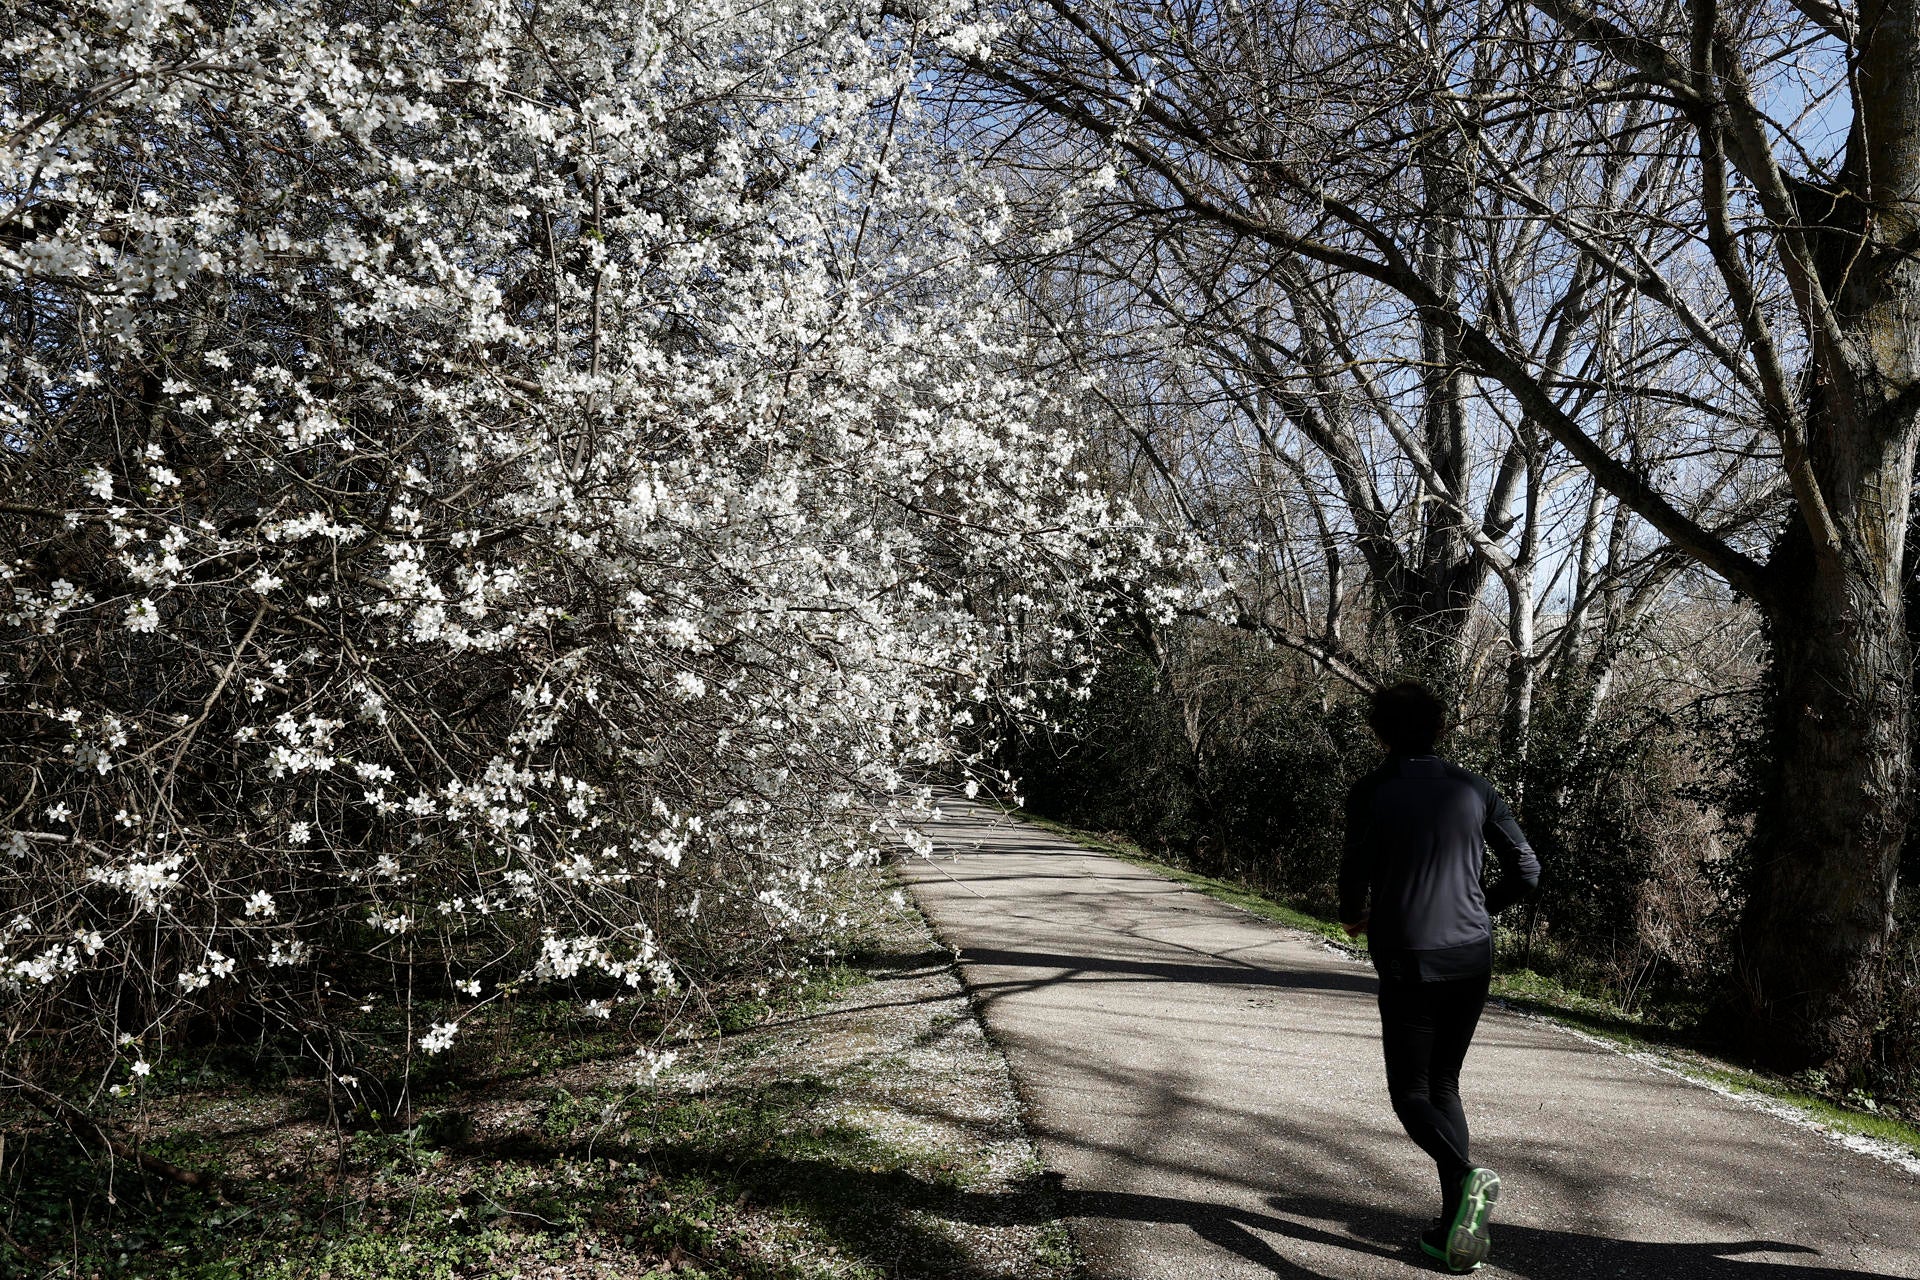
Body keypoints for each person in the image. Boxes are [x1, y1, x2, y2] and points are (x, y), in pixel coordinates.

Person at [1339, 680, 1540, 1274]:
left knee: (1411, 1093)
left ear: (1380, 733)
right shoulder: (1475, 789)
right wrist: (1479, 907)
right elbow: (1526, 871)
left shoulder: (1372, 792)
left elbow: (1355, 872)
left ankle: (1463, 1172)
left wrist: (1353, 914)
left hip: (1410, 956)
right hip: (1471, 956)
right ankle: (1455, 1231)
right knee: (1444, 1086)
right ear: (1441, 728)